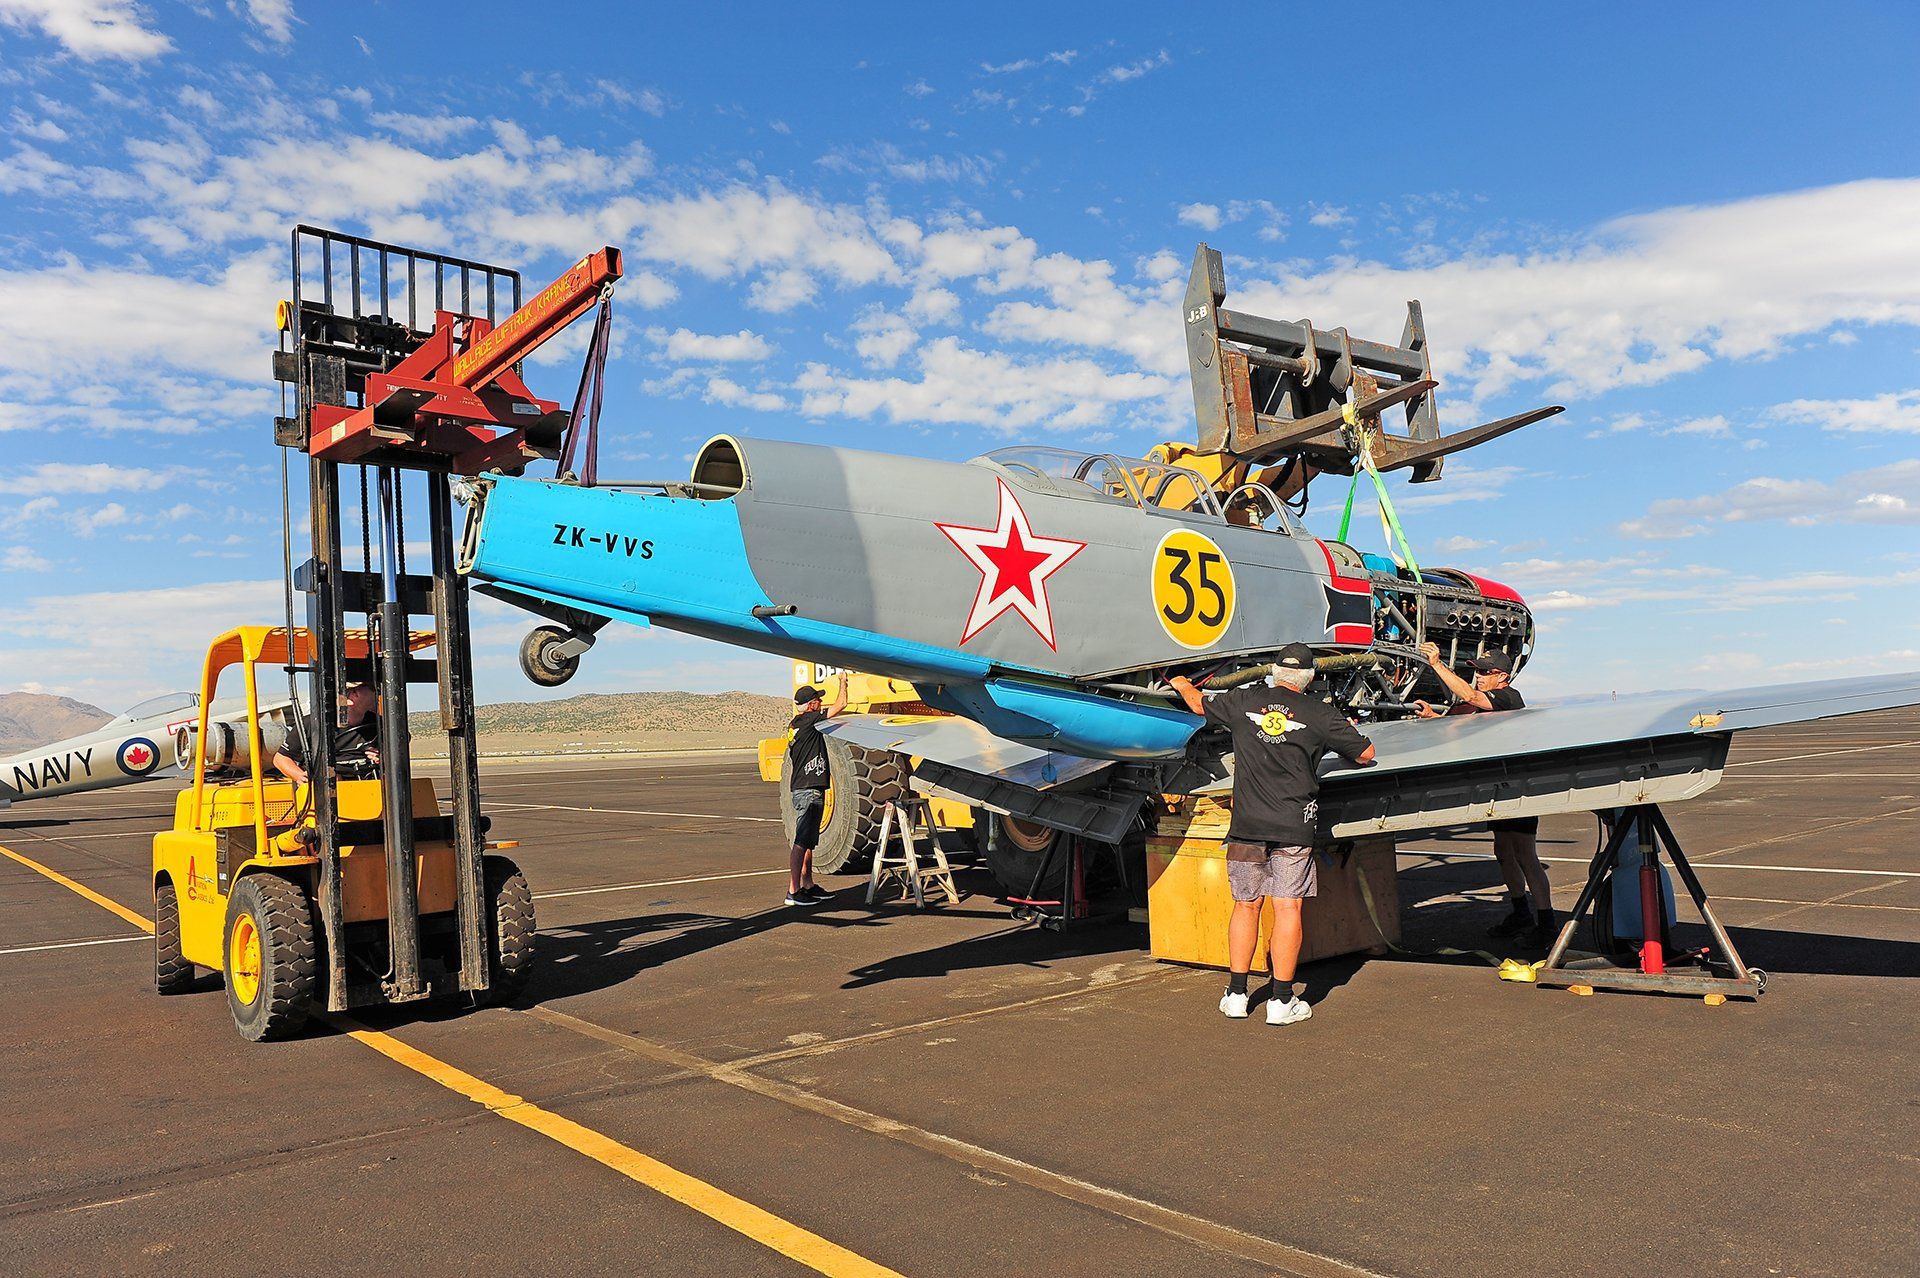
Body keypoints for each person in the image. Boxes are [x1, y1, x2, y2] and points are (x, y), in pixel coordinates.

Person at [1169, 644, 1375, 1027]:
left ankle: (1236, 995)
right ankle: (1281, 1001)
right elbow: (1366, 753)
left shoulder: (1243, 700)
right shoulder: (1320, 713)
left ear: (1274, 671)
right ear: (1310, 678)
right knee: (1287, 908)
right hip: (1293, 825)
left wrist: (1180, 681)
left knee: (1246, 905)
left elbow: (1198, 704)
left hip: (1247, 826)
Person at [1413, 644, 1555, 943]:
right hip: (1498, 790)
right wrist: (1433, 718)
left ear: (1502, 677)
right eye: (1477, 670)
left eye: (1485, 672)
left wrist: (1437, 664)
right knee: (1503, 851)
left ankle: (1546, 924)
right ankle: (1521, 913)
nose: (1478, 676)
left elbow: (1470, 696)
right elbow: (1460, 724)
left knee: (1525, 854)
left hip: (1517, 790)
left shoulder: (1508, 697)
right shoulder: (1484, 704)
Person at [783, 672, 849, 907]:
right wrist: (843, 682)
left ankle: (808, 885)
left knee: (808, 841)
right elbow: (841, 705)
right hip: (808, 790)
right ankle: (793, 891)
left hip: (806, 788)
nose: (821, 702)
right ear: (811, 705)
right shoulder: (809, 720)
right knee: (801, 841)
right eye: (818, 700)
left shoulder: (796, 724)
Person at [270, 682, 381, 786]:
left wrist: (383, 757)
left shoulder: (382, 725)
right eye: (347, 689)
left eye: (360, 687)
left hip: (369, 786)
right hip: (326, 788)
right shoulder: (313, 723)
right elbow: (280, 759)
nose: (350, 692)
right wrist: (300, 776)